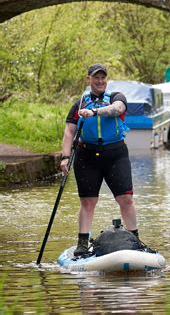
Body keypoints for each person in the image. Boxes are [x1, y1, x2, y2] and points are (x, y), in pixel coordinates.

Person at [60, 63, 140, 256]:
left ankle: (136, 240)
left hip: (116, 155)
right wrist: (65, 157)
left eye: (103, 77)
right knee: (88, 202)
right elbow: (69, 131)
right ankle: (82, 243)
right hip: (87, 156)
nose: (100, 81)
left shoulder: (116, 97)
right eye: (96, 77)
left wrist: (95, 112)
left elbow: (117, 109)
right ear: (89, 79)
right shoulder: (79, 104)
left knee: (126, 199)